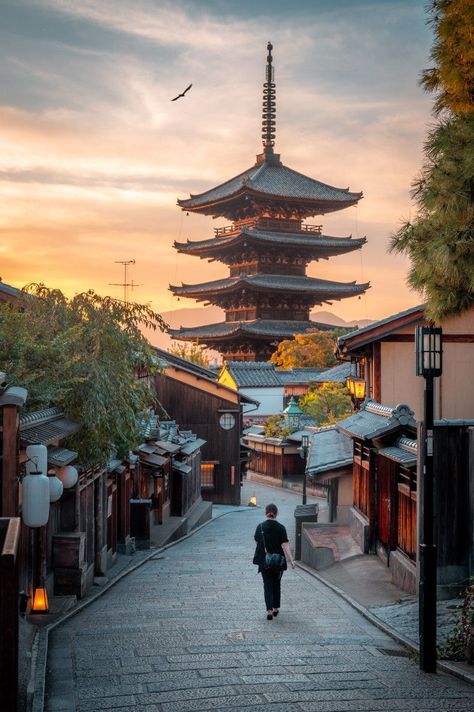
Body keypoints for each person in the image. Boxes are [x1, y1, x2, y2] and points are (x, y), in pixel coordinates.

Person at [253, 502, 295, 620]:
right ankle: (276, 608)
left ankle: (269, 611)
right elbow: (285, 545)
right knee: (277, 584)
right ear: (276, 514)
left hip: (265, 561)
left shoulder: (260, 527)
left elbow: (257, 542)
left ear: (265, 513)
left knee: (267, 585)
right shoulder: (281, 528)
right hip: (278, 562)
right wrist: (291, 560)